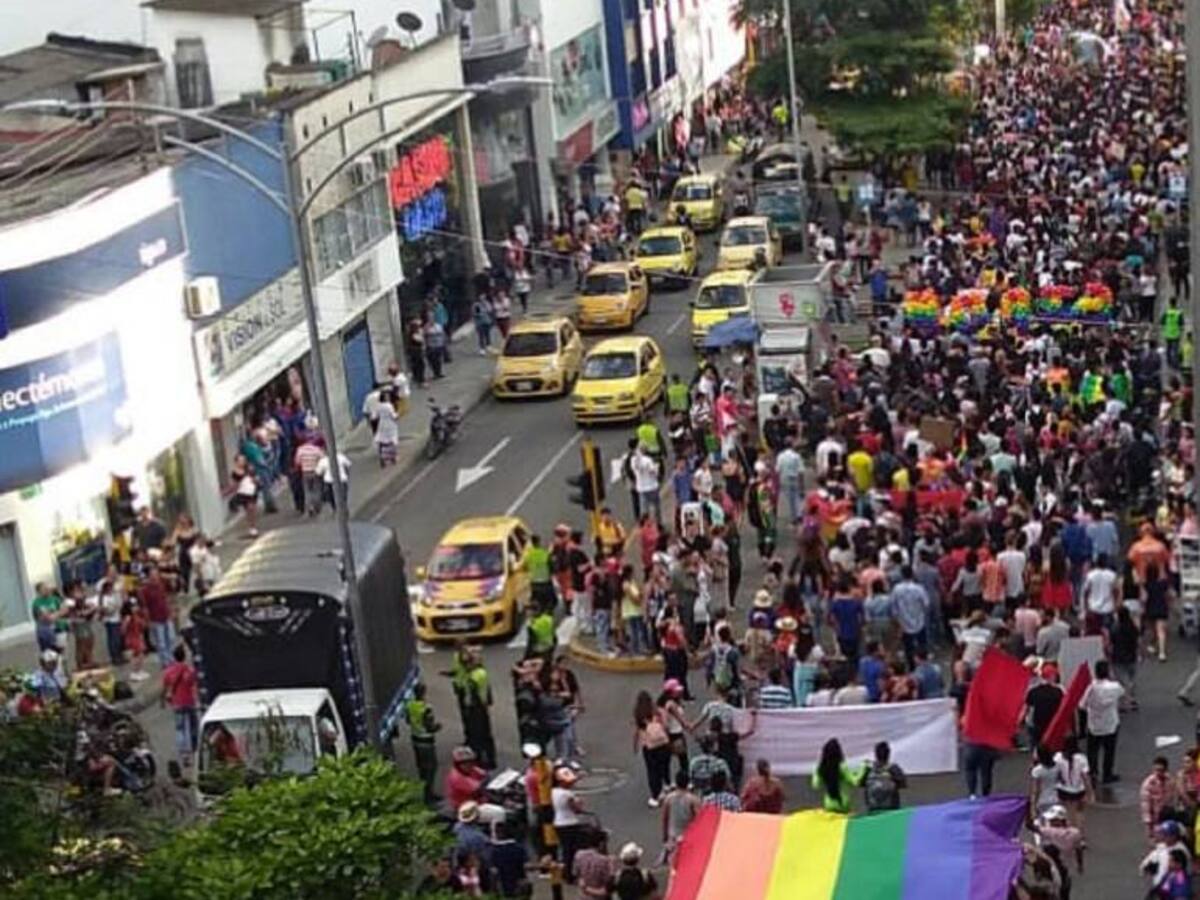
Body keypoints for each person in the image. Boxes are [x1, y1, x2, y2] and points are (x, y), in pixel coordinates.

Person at [1081, 660, 1124, 785]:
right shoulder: (1115, 687)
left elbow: (1082, 705)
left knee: (1092, 750)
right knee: (1109, 751)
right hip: (1110, 723)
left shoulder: (1091, 688)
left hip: (1094, 724)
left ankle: (1093, 773)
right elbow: (1122, 693)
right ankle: (1107, 774)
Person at [160, 644, 199, 769]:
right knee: (193, 727)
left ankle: (184, 755)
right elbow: (194, 685)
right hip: (190, 702)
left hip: (177, 704)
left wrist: (163, 701)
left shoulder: (169, 671)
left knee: (180, 730)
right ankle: (195, 750)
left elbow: (165, 688)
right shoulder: (189, 670)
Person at [633, 690, 671, 807]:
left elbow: (636, 732)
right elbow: (665, 726)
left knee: (652, 771)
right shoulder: (657, 712)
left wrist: (635, 746)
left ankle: (655, 795)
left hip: (649, 747)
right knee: (663, 766)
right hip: (663, 743)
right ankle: (666, 785)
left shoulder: (639, 715)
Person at [406, 681, 442, 804]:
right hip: (426, 741)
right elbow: (429, 726)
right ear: (423, 693)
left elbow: (407, 720)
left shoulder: (410, 705)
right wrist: (437, 727)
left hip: (415, 739)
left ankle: (425, 792)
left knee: (422, 768)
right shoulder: (426, 708)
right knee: (431, 768)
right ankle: (429, 795)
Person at [812, 738, 865, 814]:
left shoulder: (821, 768)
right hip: (843, 803)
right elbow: (855, 782)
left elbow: (816, 785)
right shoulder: (842, 767)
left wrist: (817, 771)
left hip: (828, 803)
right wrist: (863, 768)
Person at [660, 771, 700, 864]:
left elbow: (665, 818)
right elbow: (699, 820)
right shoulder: (693, 800)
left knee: (674, 862)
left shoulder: (669, 798)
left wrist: (665, 836)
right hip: (689, 836)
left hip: (673, 836)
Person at [1140, 756, 1182, 842]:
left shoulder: (1170, 780)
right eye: (1156, 770)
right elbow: (1146, 807)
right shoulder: (1148, 784)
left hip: (1169, 816)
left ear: (1166, 769)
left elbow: (1175, 797)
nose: (1158, 773)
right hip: (1156, 820)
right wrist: (1149, 828)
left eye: (1161, 770)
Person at [863, 741, 907, 813]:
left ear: (876, 754)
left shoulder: (869, 769)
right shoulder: (893, 768)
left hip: (873, 808)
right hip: (891, 809)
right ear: (888, 754)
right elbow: (903, 784)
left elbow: (861, 783)